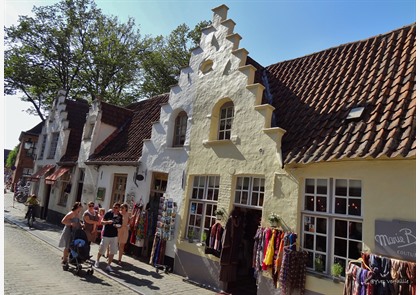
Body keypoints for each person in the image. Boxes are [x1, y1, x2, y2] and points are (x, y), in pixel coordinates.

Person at [94, 203, 122, 272]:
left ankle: (108, 265)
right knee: (102, 248)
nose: (114, 209)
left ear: (118, 209)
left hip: (114, 235)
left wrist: (118, 226)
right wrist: (107, 222)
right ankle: (97, 261)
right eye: (113, 207)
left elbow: (120, 225)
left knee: (113, 251)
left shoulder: (120, 216)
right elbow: (102, 222)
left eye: (116, 208)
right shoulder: (108, 213)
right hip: (106, 234)